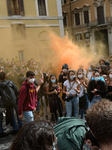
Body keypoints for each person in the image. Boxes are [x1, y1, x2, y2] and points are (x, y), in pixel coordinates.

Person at [0, 72, 22, 138]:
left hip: (6, 102)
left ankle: (15, 128)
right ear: (6, 76)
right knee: (18, 113)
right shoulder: (10, 82)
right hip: (14, 99)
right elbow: (16, 90)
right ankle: (20, 126)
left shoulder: (0, 85)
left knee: (12, 114)